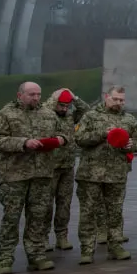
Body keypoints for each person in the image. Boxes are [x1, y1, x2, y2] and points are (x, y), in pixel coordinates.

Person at [0, 81, 66, 274]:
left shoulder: (48, 114)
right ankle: (5, 258)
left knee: (38, 217)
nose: (36, 98)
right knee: (11, 218)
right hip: (15, 175)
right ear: (20, 95)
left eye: (39, 94)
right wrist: (23, 143)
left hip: (42, 174)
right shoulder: (5, 114)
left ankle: (37, 255)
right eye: (32, 94)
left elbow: (64, 133)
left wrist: (60, 139)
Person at [74, 86, 137, 263]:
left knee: (115, 212)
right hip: (90, 174)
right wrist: (102, 134)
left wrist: (131, 145)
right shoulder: (90, 116)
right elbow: (79, 139)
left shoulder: (129, 119)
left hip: (116, 174)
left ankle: (116, 247)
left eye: (122, 100)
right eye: (115, 99)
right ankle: (87, 250)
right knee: (88, 212)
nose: (118, 103)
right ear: (106, 97)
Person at [43, 88, 86, 252]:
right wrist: (53, 99)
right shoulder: (45, 113)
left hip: (67, 166)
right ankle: (43, 237)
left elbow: (85, 111)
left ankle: (61, 236)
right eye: (61, 105)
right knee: (45, 204)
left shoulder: (69, 115)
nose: (64, 109)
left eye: (67, 106)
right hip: (49, 166)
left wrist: (75, 98)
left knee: (64, 204)